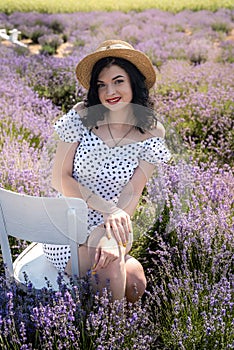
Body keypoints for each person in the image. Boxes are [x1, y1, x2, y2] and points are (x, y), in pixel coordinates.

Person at [43, 39, 171, 302]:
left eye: (118, 81)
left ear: (134, 82)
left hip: (117, 221)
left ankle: (111, 328)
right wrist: (107, 209)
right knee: (129, 272)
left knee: (131, 276)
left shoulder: (152, 131)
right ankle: (118, 334)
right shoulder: (82, 116)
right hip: (68, 224)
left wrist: (111, 226)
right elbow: (59, 178)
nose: (109, 91)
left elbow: (134, 191)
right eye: (101, 84)